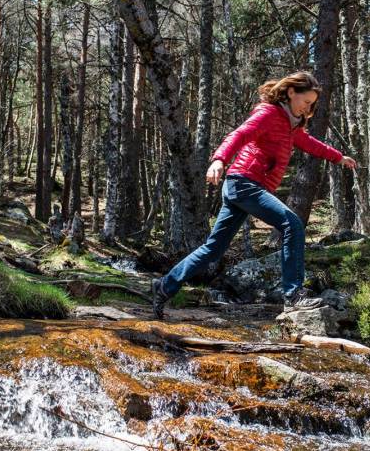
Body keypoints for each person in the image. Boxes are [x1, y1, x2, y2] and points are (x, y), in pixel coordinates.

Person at [151, 71, 357, 319]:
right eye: (306, 102)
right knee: (292, 223)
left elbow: (311, 144)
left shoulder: (291, 125)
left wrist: (338, 157)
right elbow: (239, 134)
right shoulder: (269, 114)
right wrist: (219, 160)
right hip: (244, 183)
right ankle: (293, 296)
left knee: (214, 249)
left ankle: (164, 286)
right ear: (291, 93)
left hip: (245, 187)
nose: (308, 108)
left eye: (312, 104)